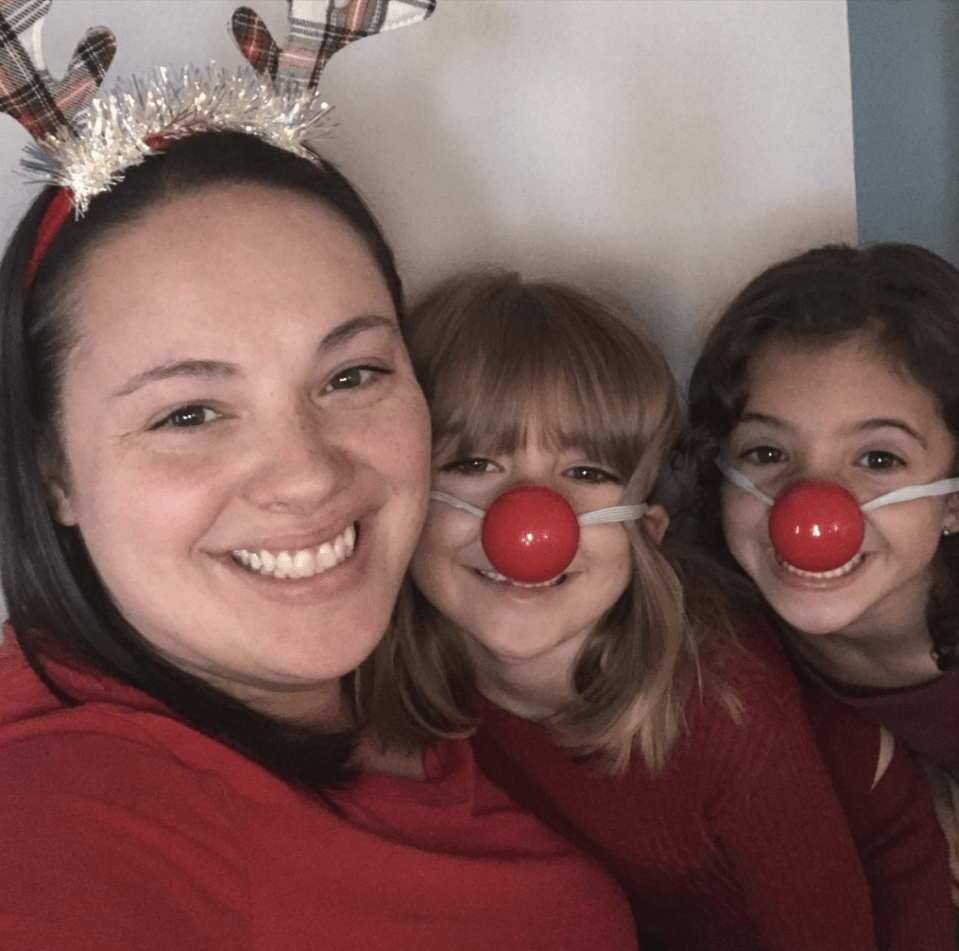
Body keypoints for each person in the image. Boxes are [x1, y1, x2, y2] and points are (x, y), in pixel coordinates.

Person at [0, 66, 642, 951]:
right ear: (54, 475)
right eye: (187, 413)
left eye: (350, 375)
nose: (305, 476)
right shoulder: (77, 820)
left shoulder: (457, 664)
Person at [370, 270, 951, 951]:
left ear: (646, 528)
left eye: (586, 473)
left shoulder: (725, 705)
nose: (527, 524)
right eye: (472, 462)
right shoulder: (396, 669)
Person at [687, 242, 959, 911]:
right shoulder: (722, 648)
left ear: (952, 498)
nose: (809, 508)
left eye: (876, 457)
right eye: (766, 451)